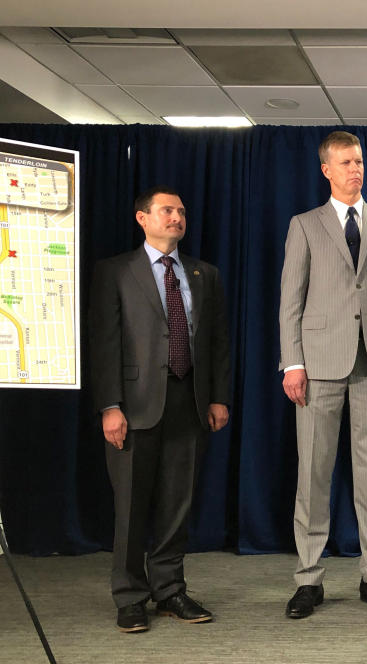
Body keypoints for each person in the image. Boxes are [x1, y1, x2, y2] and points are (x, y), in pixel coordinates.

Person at [278, 131, 367, 618]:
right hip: (317, 367)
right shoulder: (306, 225)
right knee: (312, 475)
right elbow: (290, 301)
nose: (355, 169)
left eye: (359, 161)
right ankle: (309, 579)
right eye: (346, 162)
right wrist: (292, 362)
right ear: (326, 170)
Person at [89, 186, 231, 632]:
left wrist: (218, 396)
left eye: (181, 212)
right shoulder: (115, 271)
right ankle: (130, 595)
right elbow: (104, 342)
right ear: (142, 218)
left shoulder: (204, 273)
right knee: (131, 504)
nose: (176, 218)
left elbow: (217, 344)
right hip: (134, 405)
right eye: (167, 210)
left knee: (177, 503)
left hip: (188, 401)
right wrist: (110, 405)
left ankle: (169, 590)